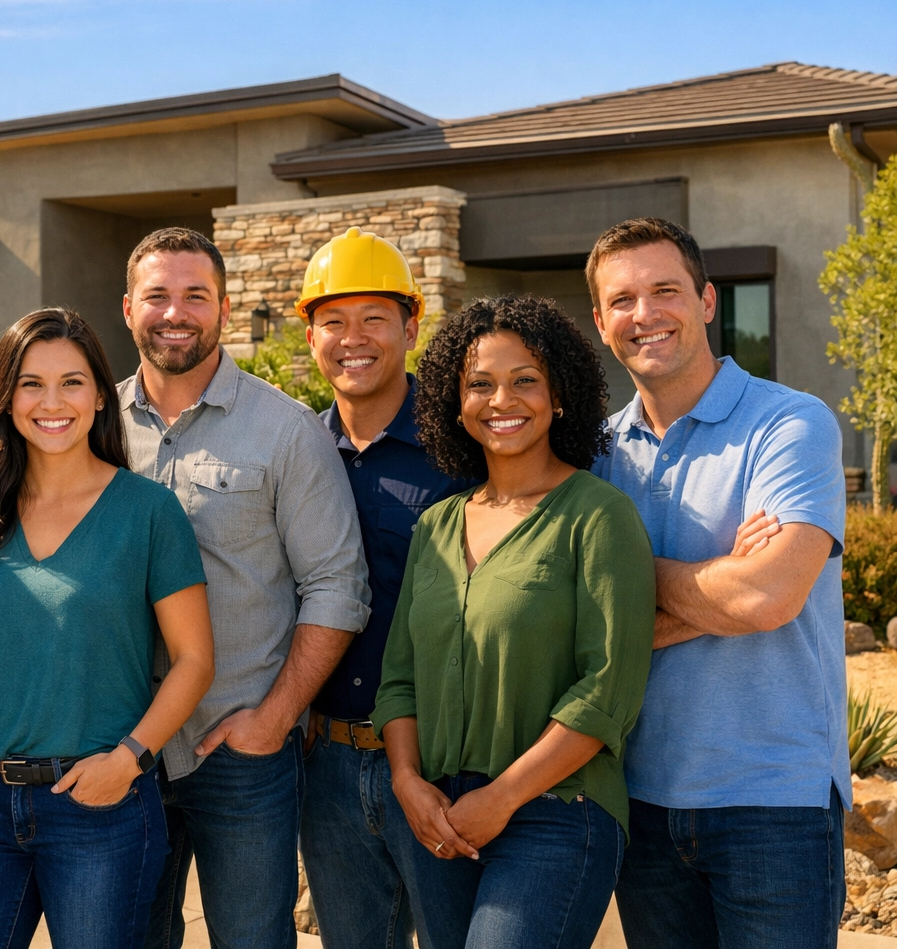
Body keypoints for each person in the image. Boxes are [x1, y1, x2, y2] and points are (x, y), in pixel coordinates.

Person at [0, 307, 215, 948]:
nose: (53, 402)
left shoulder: (148, 511)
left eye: (72, 382)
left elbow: (193, 659)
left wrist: (130, 760)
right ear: (5, 398)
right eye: (30, 383)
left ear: (101, 395)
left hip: (100, 806)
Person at [586, 218, 850, 949]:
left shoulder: (788, 425)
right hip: (639, 799)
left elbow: (768, 598)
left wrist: (633, 585)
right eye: (623, 300)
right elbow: (581, 626)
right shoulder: (599, 454)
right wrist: (721, 586)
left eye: (665, 290)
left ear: (706, 301)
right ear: (602, 322)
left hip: (775, 799)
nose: (646, 315)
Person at [374, 294, 656, 949]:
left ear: (559, 397)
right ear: (456, 402)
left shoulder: (598, 515)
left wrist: (501, 797)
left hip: (557, 811)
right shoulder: (436, 527)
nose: (503, 400)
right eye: (481, 384)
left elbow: (606, 691)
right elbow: (399, 681)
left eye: (525, 380)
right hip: (438, 815)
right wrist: (407, 781)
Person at [118, 227, 372, 949]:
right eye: (158, 296)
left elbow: (337, 585)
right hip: (121, 749)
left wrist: (275, 716)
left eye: (195, 296)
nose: (176, 312)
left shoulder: (287, 431)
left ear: (224, 308)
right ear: (128, 306)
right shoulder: (88, 424)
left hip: (242, 754)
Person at [297, 228, 474, 948]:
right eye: (333, 321)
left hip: (445, 765)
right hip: (326, 767)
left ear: (411, 325)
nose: (353, 339)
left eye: (374, 318)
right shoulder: (298, 454)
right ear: (309, 335)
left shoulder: (466, 450)